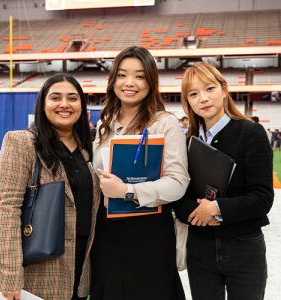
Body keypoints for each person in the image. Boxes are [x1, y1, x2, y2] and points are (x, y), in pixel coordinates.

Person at [0, 74, 100, 300]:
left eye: (73, 98)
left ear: (82, 106)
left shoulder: (88, 149)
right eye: (55, 98)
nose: (64, 105)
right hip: (37, 275)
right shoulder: (22, 143)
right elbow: (3, 210)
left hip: (79, 274)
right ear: (43, 104)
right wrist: (9, 274)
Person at [91, 46, 190, 300]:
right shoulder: (105, 123)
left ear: (151, 80)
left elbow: (178, 183)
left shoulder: (165, 122)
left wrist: (128, 191)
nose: (129, 83)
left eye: (139, 75)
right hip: (107, 232)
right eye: (122, 75)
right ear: (113, 79)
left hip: (149, 232)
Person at [173, 62, 274, 300]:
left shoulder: (251, 133)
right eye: (194, 94)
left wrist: (216, 209)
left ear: (224, 89)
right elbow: (178, 194)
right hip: (200, 246)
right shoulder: (186, 141)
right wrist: (198, 212)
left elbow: (262, 197)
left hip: (244, 245)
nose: (203, 99)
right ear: (188, 102)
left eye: (209, 89)